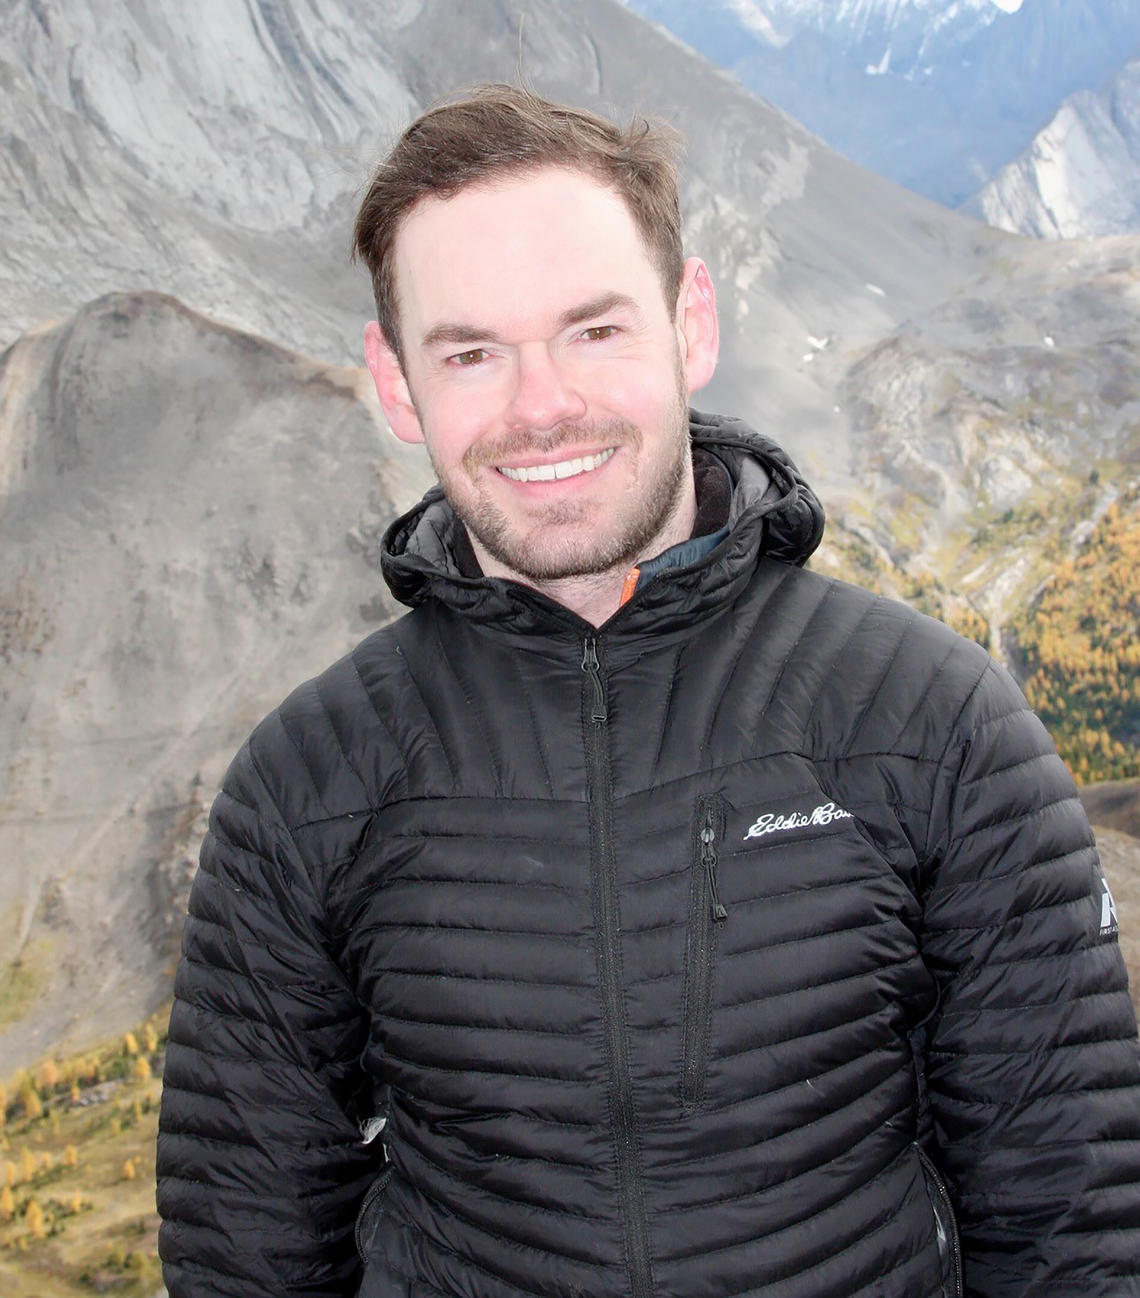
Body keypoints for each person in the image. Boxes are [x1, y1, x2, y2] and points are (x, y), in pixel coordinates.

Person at [156, 84, 1140, 1298]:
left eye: (596, 329)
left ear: (692, 321)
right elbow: (242, 1250)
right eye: (471, 351)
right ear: (397, 381)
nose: (542, 405)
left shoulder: (935, 727)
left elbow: (1072, 1227)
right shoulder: (305, 786)